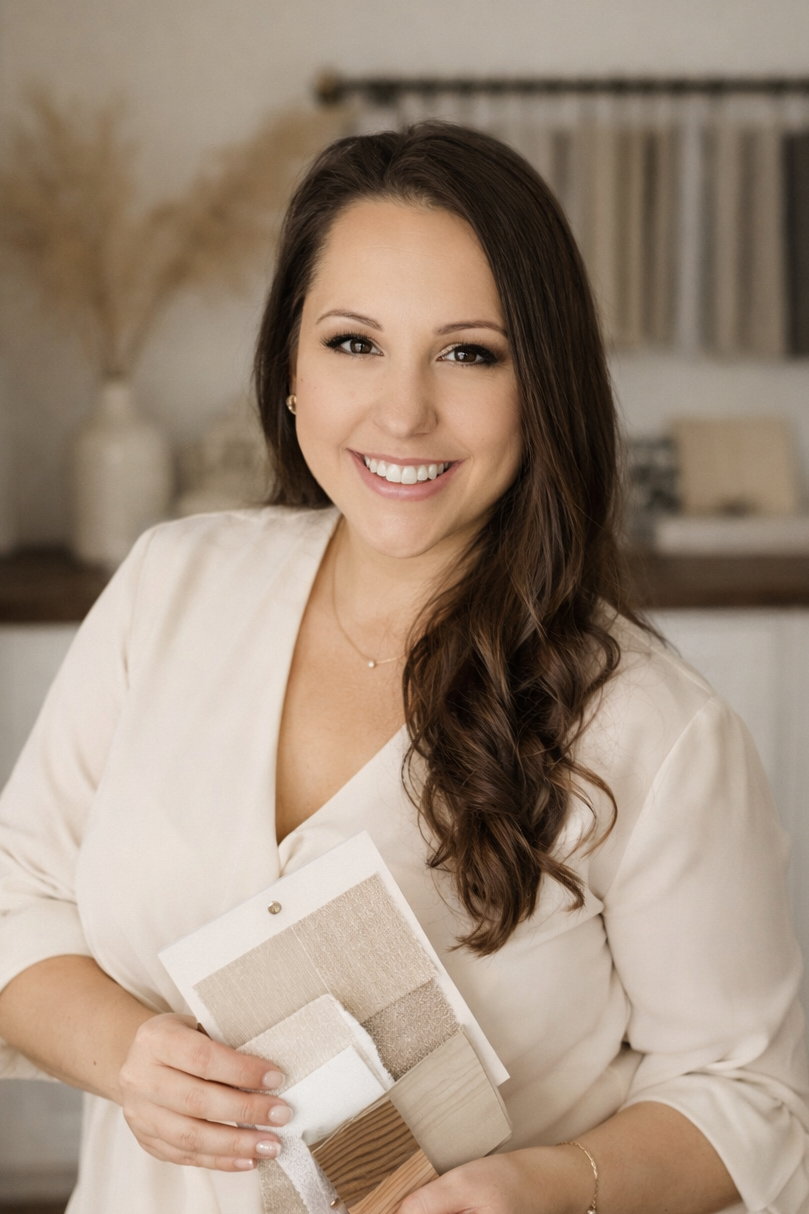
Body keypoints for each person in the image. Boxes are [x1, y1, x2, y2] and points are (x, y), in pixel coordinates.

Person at [0, 121, 806, 1214]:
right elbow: (18, 900)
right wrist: (125, 1051)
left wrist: (549, 1184)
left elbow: (750, 1093)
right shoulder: (170, 585)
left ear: (542, 385)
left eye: (467, 352)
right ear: (289, 366)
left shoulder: (651, 729)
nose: (401, 410)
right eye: (351, 342)